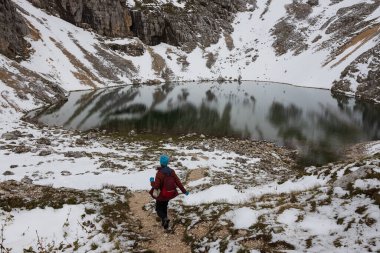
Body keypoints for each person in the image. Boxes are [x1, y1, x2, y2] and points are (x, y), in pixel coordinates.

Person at [150, 154, 189, 229]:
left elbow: (156, 186)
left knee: (158, 209)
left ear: (160, 162)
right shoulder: (172, 171)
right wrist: (184, 191)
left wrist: (152, 181)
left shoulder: (159, 173)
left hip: (161, 195)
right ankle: (165, 224)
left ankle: (165, 219)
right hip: (169, 193)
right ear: (167, 163)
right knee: (164, 207)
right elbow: (178, 182)